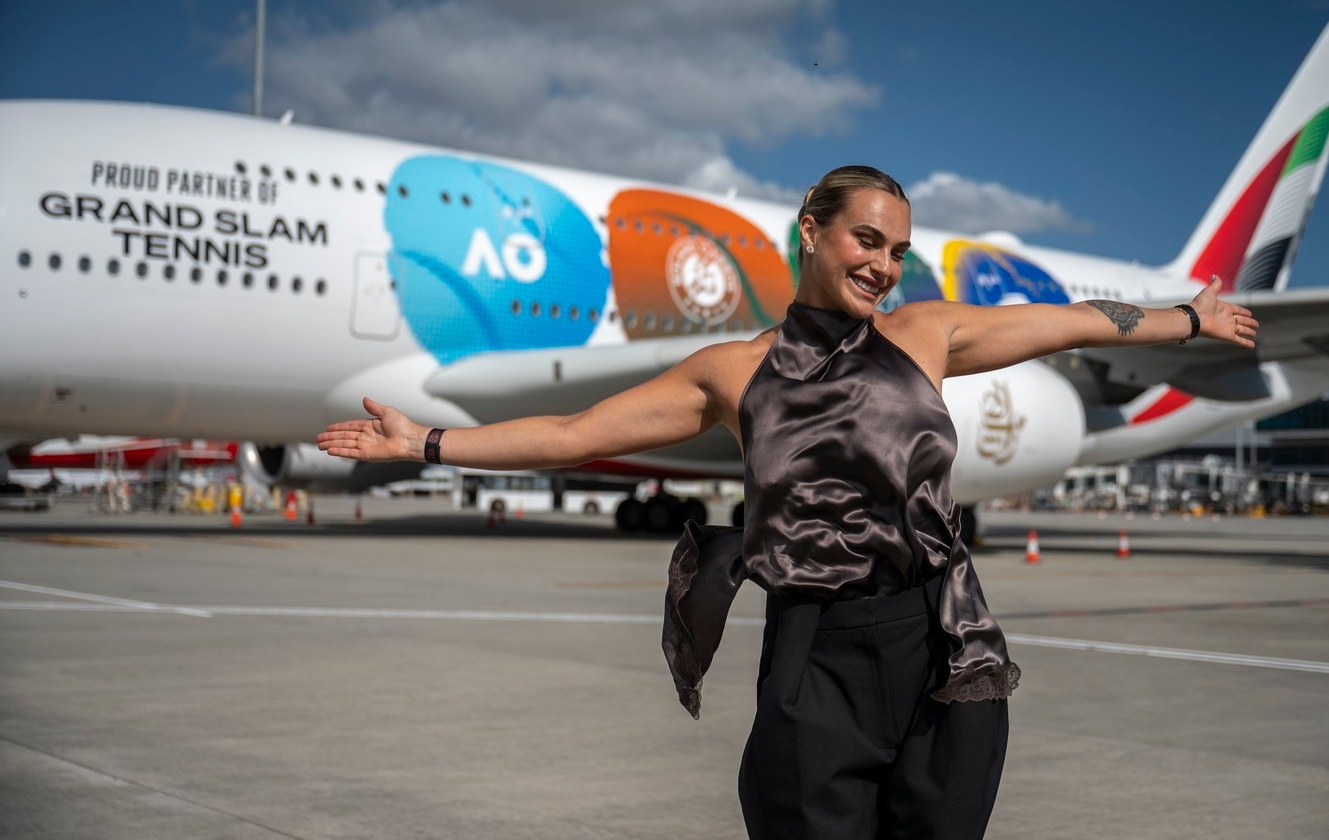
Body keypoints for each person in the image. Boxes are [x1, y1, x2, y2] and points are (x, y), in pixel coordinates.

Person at [317, 165, 1257, 839]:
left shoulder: (925, 333)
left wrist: (1188, 316)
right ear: (812, 229)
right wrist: (426, 442)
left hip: (945, 643)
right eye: (866, 239)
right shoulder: (732, 371)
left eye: (897, 249)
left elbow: (1077, 320)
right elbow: (576, 432)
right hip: (816, 651)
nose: (884, 264)